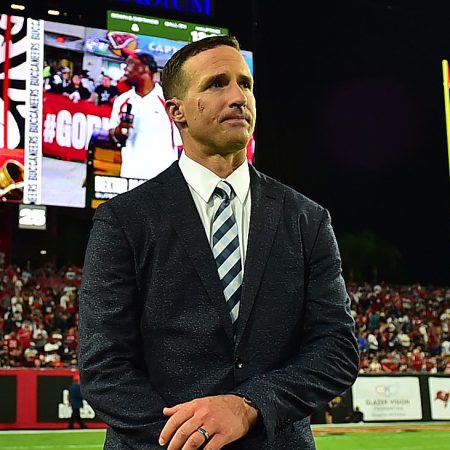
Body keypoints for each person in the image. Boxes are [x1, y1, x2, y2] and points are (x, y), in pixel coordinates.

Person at [79, 35, 359, 450]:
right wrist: (191, 437)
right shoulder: (122, 219)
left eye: (245, 84)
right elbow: (104, 365)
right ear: (176, 112)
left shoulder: (308, 218)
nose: (238, 97)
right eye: (216, 84)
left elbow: (336, 349)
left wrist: (249, 407)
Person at [107, 48, 182, 179]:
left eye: (130, 63)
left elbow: (182, 143)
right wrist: (118, 132)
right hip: (130, 177)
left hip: (163, 181)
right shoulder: (122, 101)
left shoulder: (168, 101)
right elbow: (112, 135)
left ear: (146, 68)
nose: (125, 68)